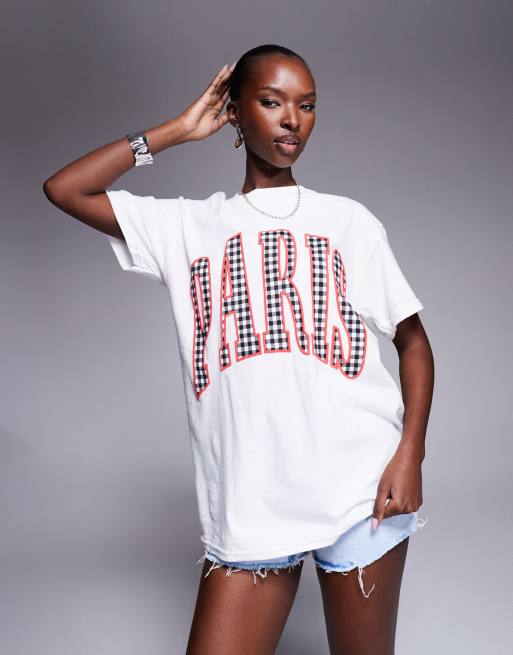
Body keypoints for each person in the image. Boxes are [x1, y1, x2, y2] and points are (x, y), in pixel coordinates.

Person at [43, 43, 434, 655]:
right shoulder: (188, 228)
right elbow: (64, 189)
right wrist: (176, 131)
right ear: (235, 111)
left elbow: (414, 344)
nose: (292, 120)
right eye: (272, 102)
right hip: (250, 505)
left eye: (307, 105)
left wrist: (409, 454)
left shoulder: (348, 221)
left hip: (361, 491)